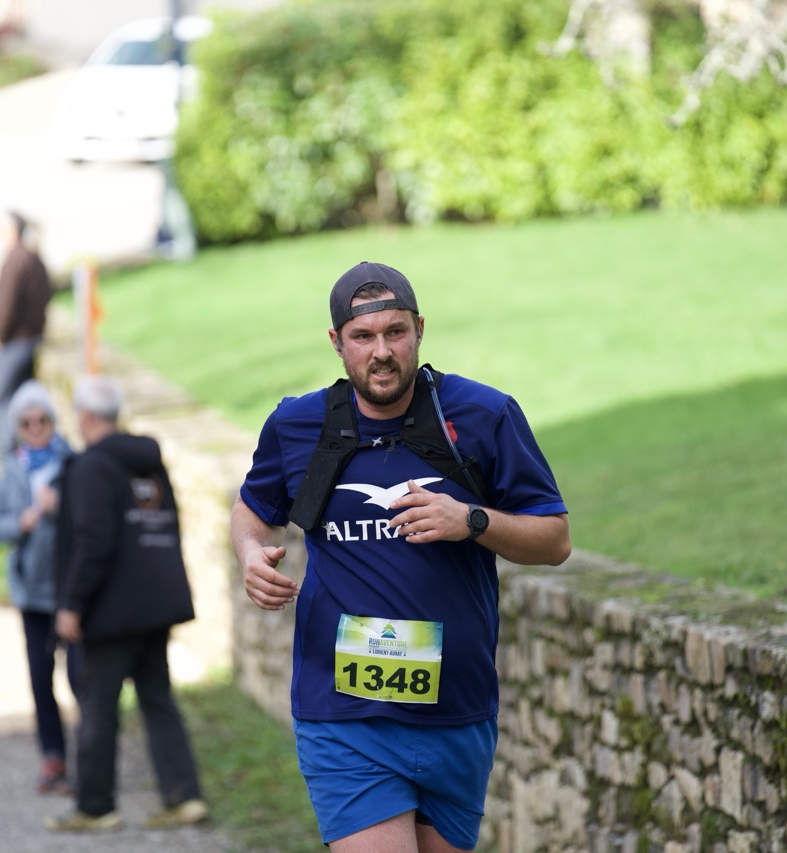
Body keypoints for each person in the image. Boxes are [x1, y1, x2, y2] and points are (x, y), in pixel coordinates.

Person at [229, 261, 571, 853]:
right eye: (363, 336)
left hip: (457, 711)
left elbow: (555, 540)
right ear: (337, 342)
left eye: (396, 332)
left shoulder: (484, 416)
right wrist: (249, 553)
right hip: (344, 713)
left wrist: (471, 521)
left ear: (420, 329)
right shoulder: (298, 425)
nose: (382, 352)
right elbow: (252, 508)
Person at [48, 374, 208, 833]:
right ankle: (184, 797)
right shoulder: (148, 462)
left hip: (111, 610)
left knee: (98, 704)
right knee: (158, 699)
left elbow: (93, 540)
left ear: (84, 416)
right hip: (156, 603)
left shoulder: (91, 466)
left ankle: (95, 807)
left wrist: (71, 603)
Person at [0, 379, 81, 795]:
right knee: (41, 680)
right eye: (27, 422)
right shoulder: (12, 469)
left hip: (71, 591)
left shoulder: (73, 464)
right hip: (32, 595)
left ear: (54, 421)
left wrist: (61, 509)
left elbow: (92, 519)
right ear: (18, 427)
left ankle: (90, 759)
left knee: (81, 678)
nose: (36, 427)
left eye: (43, 419)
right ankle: (52, 757)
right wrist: (20, 522)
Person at [0, 210, 53, 456]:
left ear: (12, 230)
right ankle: (19, 451)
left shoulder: (15, 259)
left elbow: (5, 306)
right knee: (14, 396)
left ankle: (8, 453)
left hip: (17, 340)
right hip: (31, 337)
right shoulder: (33, 257)